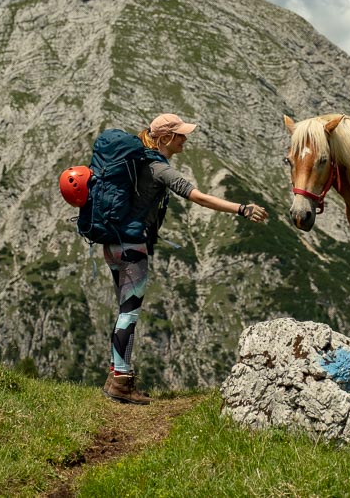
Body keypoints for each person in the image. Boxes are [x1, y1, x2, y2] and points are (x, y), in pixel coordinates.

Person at [101, 113, 269, 404]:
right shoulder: (158, 168)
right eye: (180, 135)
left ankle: (117, 373)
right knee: (129, 313)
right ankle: (121, 382)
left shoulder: (138, 162)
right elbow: (199, 197)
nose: (185, 139)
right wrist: (241, 209)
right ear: (166, 138)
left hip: (112, 243)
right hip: (132, 246)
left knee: (124, 311)